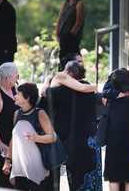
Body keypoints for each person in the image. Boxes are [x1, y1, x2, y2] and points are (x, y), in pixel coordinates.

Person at [48, 60, 101, 191]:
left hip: (66, 138)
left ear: (68, 72)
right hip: (88, 139)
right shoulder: (88, 90)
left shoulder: (57, 87)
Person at [102, 60, 129, 191]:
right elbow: (106, 92)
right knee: (114, 175)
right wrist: (126, 93)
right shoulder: (118, 75)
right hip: (115, 131)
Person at [2, 82, 56, 190]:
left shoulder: (40, 113)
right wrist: (7, 161)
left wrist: (36, 138)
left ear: (27, 98)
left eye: (18, 94)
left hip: (37, 167)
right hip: (19, 168)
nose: (15, 96)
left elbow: (53, 137)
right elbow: (14, 139)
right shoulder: (17, 114)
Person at [56, 0, 85, 68]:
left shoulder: (79, 4)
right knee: (63, 57)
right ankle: (63, 73)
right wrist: (57, 32)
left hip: (72, 36)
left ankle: (77, 73)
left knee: (74, 56)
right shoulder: (65, 4)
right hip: (63, 35)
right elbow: (59, 19)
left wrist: (71, 34)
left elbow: (79, 22)